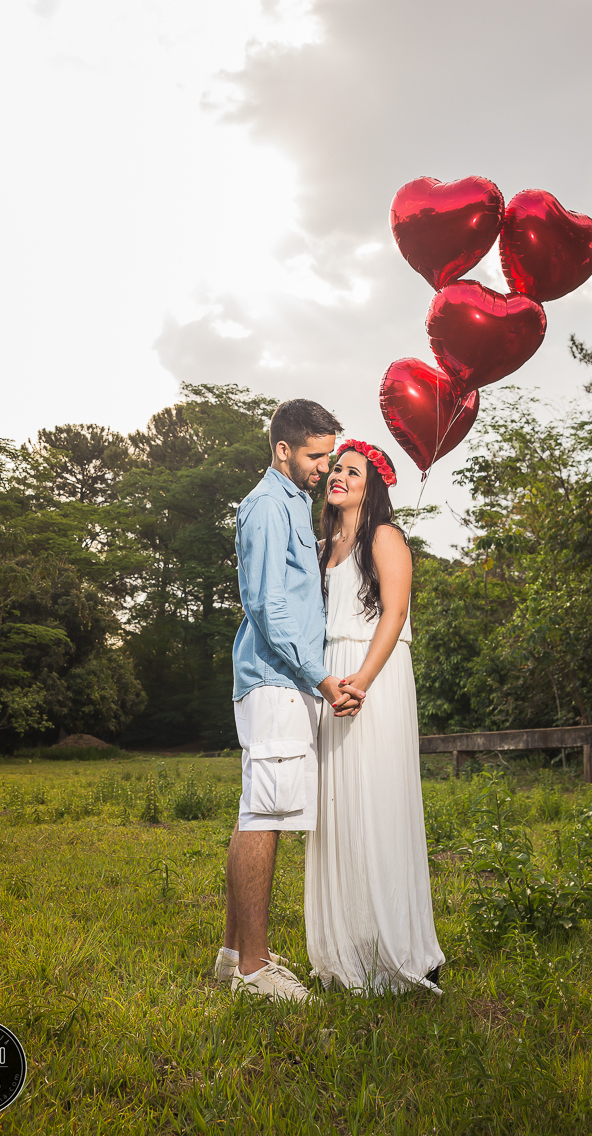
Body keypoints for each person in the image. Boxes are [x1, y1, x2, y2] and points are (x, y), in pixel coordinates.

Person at [215, 400, 366, 1003]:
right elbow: (267, 605)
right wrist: (320, 678)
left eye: (329, 455)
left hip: (286, 681)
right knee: (268, 816)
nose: (324, 467)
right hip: (277, 680)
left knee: (257, 809)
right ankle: (256, 970)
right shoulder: (266, 506)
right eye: (315, 455)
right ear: (283, 450)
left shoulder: (292, 506)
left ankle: (234, 956)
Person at [304, 439, 445, 995]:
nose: (337, 476)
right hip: (330, 680)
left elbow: (396, 611)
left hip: (375, 675)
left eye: (352, 472)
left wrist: (361, 679)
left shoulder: (384, 537)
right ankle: (348, 949)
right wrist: (325, 682)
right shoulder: (321, 547)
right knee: (338, 811)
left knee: (378, 802)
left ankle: (403, 950)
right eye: (335, 469)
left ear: (373, 487)